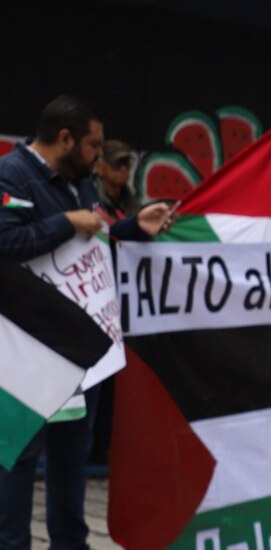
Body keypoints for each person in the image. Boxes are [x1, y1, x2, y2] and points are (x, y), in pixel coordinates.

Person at [0, 95, 172, 550]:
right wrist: (66, 221)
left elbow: (96, 232)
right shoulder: (11, 175)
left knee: (72, 453)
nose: (99, 156)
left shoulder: (81, 182)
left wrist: (134, 226)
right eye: (94, 145)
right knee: (19, 455)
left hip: (82, 347)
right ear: (65, 139)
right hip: (30, 351)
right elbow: (6, 241)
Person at [92, 139, 139, 224]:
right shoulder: (91, 200)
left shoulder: (132, 202)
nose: (123, 168)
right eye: (117, 163)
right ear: (99, 167)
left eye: (126, 162)